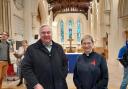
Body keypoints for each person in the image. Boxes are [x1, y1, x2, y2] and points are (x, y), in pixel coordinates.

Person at [21, 24, 68, 89]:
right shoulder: (31, 49)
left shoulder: (59, 48)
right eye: (43, 33)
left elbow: (65, 64)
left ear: (51, 34)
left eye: (48, 32)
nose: (46, 35)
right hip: (40, 86)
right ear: (40, 34)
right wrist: (35, 84)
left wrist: (61, 77)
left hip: (59, 85)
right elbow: (25, 68)